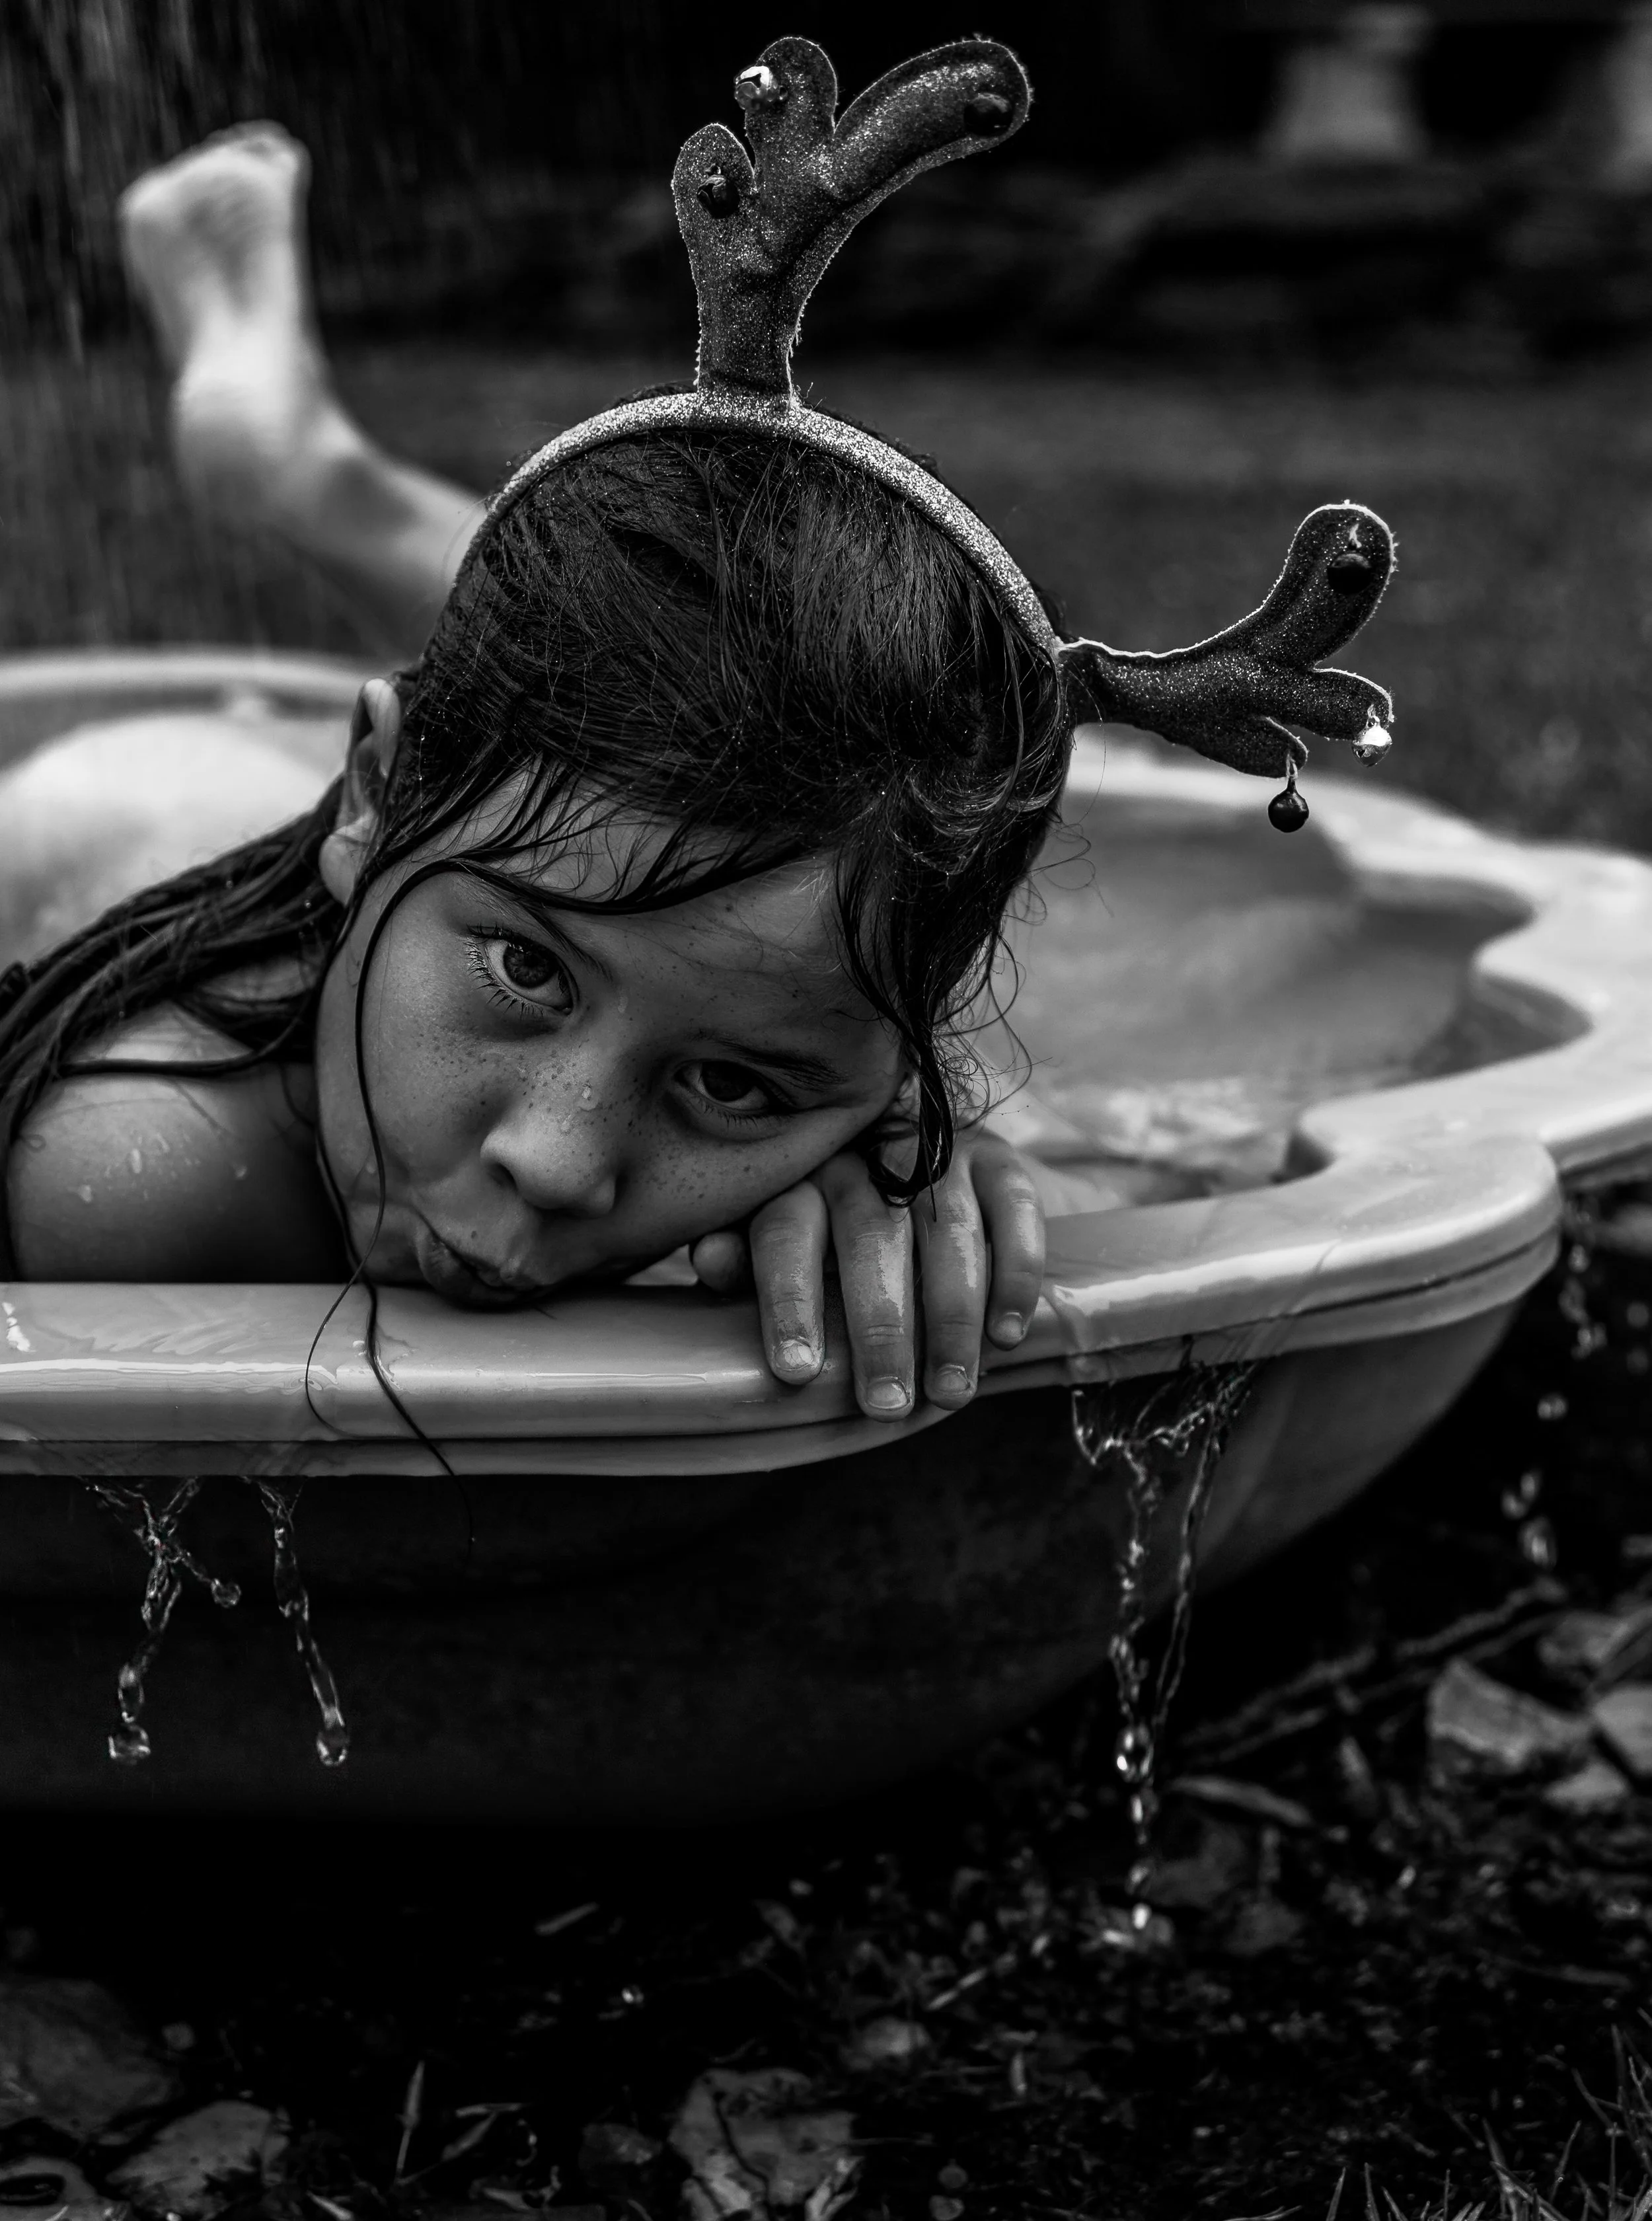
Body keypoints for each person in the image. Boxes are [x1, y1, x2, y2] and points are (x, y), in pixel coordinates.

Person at [1, 36, 1396, 1432]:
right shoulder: (136, 1182)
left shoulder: (794, 1036)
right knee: (612, 710)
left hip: (443, 854)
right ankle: (294, 466)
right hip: (132, 806)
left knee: (641, 706)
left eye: (734, 1082)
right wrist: (736, 1158)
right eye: (525, 972)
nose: (555, 1167)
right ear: (368, 790)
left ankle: (292, 470)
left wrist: (920, 1168)